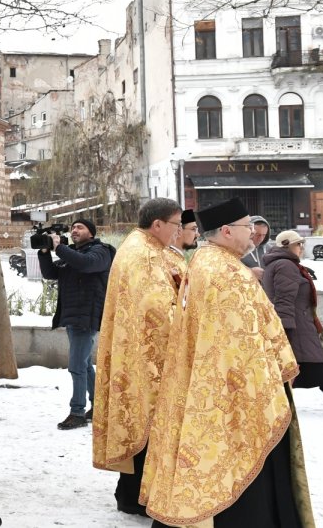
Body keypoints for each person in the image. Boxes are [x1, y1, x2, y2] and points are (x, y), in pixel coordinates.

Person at [142, 198, 314, 528]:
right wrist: (268, 378)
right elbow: (241, 339)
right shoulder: (223, 272)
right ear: (225, 231)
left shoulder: (213, 262)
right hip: (237, 391)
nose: (253, 232)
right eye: (247, 226)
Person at [92, 198, 184, 516]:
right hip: (146, 357)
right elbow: (158, 312)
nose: (179, 231)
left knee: (143, 424)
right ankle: (134, 497)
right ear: (157, 224)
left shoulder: (141, 245)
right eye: (176, 224)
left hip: (135, 351)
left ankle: (132, 493)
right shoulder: (144, 255)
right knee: (147, 424)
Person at [262, 230, 323, 414]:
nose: (301, 247)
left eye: (302, 243)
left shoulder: (284, 264)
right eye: (298, 244)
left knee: (311, 363)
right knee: (301, 363)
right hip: (295, 323)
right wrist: (286, 328)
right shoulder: (285, 265)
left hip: (300, 321)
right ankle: (278, 404)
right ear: (287, 245)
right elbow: (284, 299)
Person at [38, 218, 115, 430]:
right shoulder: (72, 254)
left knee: (76, 366)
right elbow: (50, 273)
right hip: (73, 315)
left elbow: (86, 264)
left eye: (80, 227)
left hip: (87, 315)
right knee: (84, 364)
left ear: (91, 232)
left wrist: (60, 247)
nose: (74, 230)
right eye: (72, 228)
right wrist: (45, 252)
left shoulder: (101, 251)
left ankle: (77, 412)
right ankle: (99, 406)